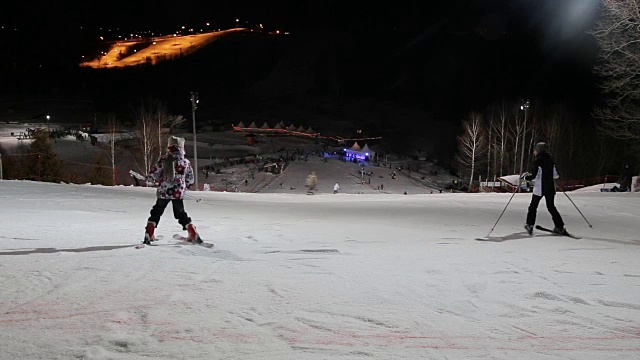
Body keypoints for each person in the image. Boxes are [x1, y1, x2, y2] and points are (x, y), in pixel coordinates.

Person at [143, 136, 201, 244]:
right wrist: (186, 186)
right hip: (178, 193)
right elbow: (190, 178)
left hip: (163, 192)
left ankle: (149, 232)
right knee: (180, 213)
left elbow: (155, 174)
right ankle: (192, 231)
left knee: (157, 211)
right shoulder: (185, 162)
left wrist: (151, 178)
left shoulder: (164, 160)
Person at [523, 142, 566, 235]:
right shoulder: (551, 160)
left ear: (538, 151)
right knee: (551, 207)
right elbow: (555, 175)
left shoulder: (537, 161)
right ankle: (560, 226)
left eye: (535, 150)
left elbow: (534, 176)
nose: (534, 152)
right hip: (550, 188)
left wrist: (526, 178)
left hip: (539, 189)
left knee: (533, 206)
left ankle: (530, 225)